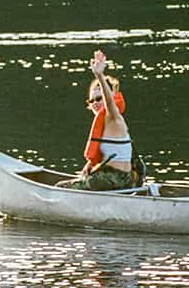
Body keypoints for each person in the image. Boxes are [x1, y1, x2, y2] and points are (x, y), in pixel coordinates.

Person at [57, 50, 136, 191]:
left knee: (60, 187)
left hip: (115, 179)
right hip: (120, 179)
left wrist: (99, 75)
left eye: (99, 99)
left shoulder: (114, 117)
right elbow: (99, 158)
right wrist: (87, 169)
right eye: (92, 100)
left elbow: (109, 102)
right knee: (81, 179)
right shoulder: (104, 123)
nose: (95, 103)